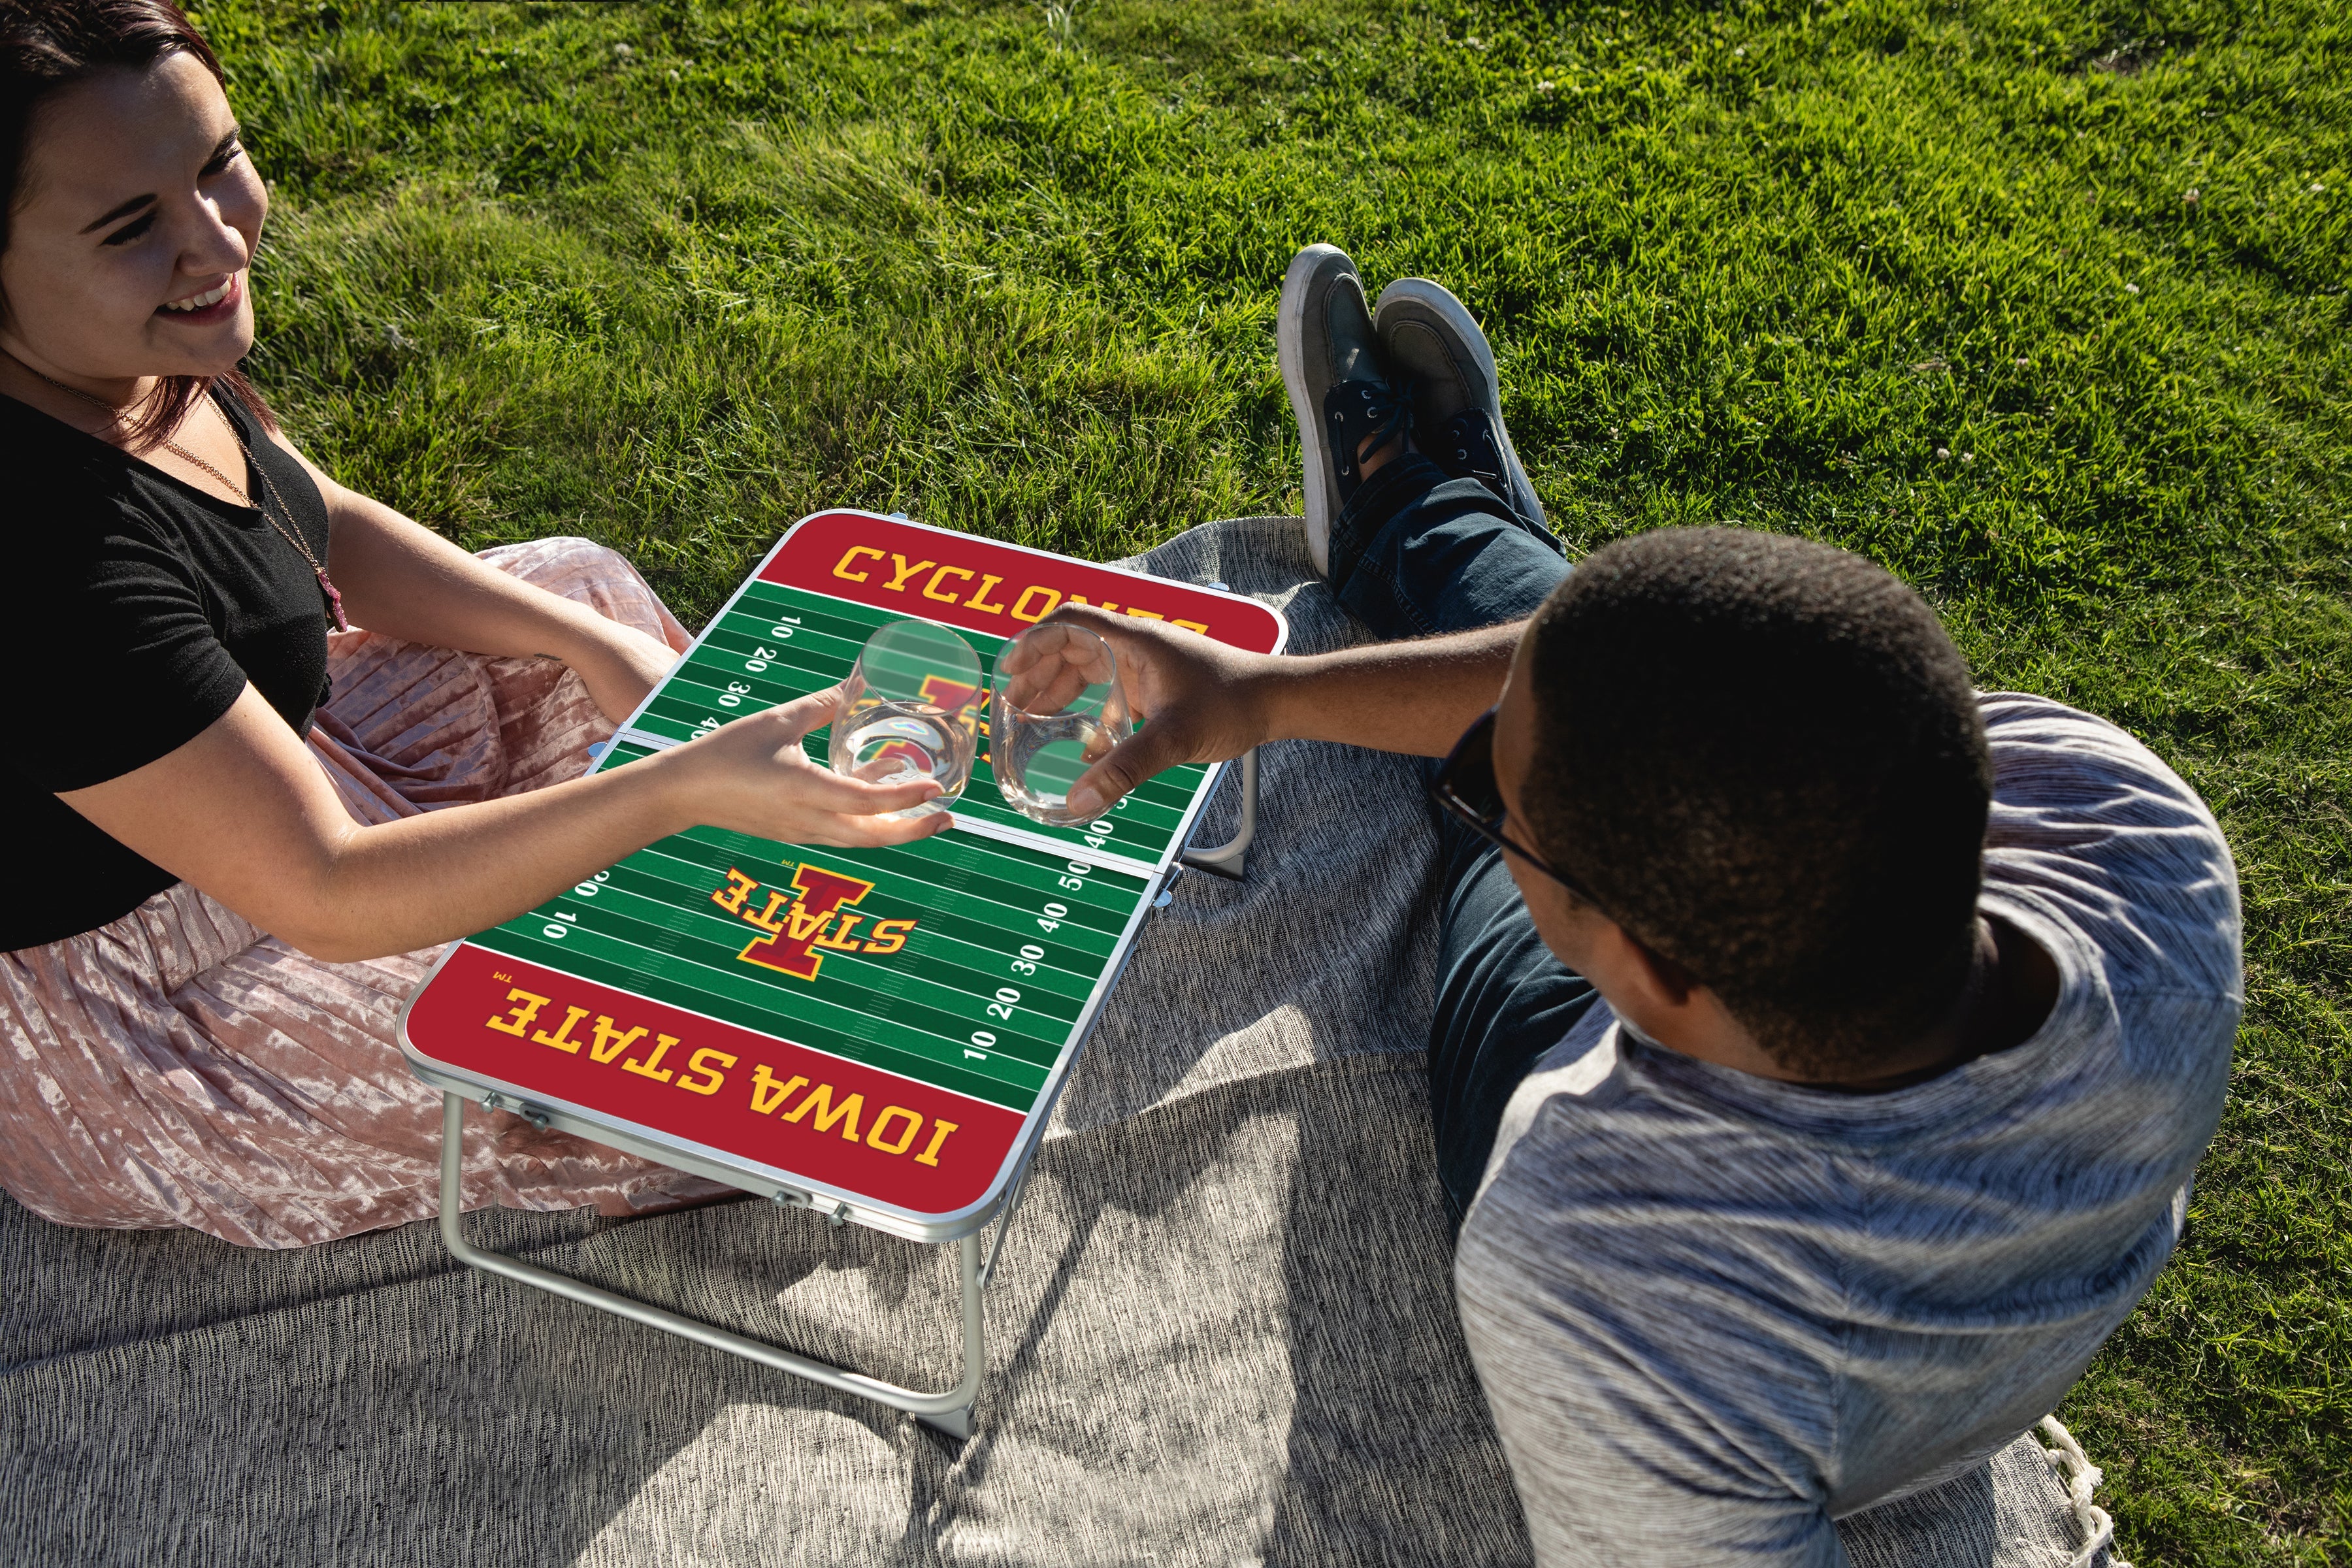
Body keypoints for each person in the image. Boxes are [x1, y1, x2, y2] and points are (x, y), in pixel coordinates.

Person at [1051, 243, 2240, 1564]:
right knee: (1618, 673)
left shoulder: (1601, 1261)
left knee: (1526, 799)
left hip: (1580, 1084)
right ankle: (1445, 528)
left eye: (1496, 811)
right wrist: (1257, 698)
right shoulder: (2133, 826)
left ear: (1645, 972)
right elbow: (1707, 695)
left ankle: (1430, 523)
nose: (1481, 809)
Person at [0, 0, 943, 1248]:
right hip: (163, 1008)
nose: (217, 237)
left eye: (219, 161)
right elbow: (327, 892)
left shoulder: (121, 354)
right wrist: (673, 791)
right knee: (685, 1049)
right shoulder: (41, 554)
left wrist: (588, 645)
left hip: (285, 778)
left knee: (576, 587)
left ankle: (734, 841)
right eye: (132, 226)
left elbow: (308, 517)